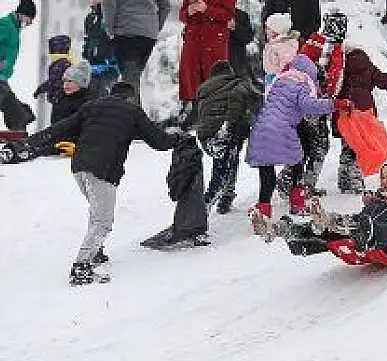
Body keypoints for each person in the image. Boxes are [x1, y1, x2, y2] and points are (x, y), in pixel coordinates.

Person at [25, 82, 181, 285]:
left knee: (96, 213)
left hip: (79, 167)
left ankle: (95, 252)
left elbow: (61, 128)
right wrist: (178, 139)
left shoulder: (92, 107)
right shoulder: (132, 111)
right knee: (103, 221)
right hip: (103, 170)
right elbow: (159, 141)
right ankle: (81, 267)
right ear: (130, 98)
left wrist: (32, 142)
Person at [262, 126, 387, 257]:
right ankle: (300, 232)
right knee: (365, 216)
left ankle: (369, 233)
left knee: (384, 222)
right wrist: (376, 196)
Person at [246, 54, 350, 221]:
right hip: (283, 128)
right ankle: (297, 204)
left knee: (266, 171)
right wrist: (334, 104)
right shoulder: (302, 84)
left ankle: (263, 210)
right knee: (297, 163)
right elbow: (309, 105)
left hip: (262, 128)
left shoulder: (279, 82)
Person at [334, 42, 387, 194]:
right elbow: (386, 82)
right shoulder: (368, 66)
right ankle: (355, 180)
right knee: (362, 145)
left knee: (348, 144)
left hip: (346, 110)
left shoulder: (341, 66)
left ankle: (345, 179)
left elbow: (333, 87)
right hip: (365, 111)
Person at [196, 60, 261, 214]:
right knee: (221, 174)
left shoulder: (203, 89)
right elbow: (253, 104)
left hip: (205, 136)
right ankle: (200, 212)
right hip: (226, 133)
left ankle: (227, 196)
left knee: (225, 163)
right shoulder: (239, 84)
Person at [177, 0, 236, 128]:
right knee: (191, 75)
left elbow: (228, 14)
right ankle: (195, 108)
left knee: (214, 75)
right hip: (193, 37)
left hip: (214, 38)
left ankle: (213, 112)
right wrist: (189, 11)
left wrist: (206, 9)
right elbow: (182, 15)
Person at [103, 0, 170, 105]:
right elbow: (165, 5)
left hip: (126, 31)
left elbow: (108, 3)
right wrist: (156, 27)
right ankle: (134, 113)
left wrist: (110, 30)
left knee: (130, 79)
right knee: (134, 76)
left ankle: (130, 114)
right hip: (148, 34)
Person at [0, 0, 37, 131]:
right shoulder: (5, 24)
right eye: (29, 19)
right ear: (22, 14)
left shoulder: (14, 28)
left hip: (3, 77)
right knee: (12, 107)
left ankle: (17, 131)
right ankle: (18, 132)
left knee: (13, 106)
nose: (30, 23)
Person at [83, 0, 120, 98]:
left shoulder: (111, 16)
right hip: (93, 67)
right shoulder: (90, 18)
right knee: (92, 98)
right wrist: (86, 55)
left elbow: (115, 38)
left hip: (109, 67)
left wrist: (112, 59)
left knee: (108, 97)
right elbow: (88, 39)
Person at [33, 35, 74, 114]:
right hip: (62, 100)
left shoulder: (60, 64)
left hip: (60, 101)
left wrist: (42, 88)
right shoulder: (66, 62)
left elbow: (54, 82)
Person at [262, 12, 299, 93]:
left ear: (276, 30)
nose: (265, 31)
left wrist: (280, 80)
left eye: (268, 28)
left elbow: (286, 66)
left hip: (280, 81)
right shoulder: (273, 43)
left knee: (277, 103)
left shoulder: (284, 46)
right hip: (271, 78)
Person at [228, 6, 255, 81]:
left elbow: (248, 38)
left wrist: (235, 27)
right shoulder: (209, 15)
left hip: (237, 63)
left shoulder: (241, 15)